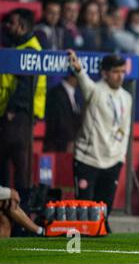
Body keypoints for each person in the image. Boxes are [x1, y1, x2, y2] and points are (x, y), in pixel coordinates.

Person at [67, 49, 132, 231]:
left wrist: (121, 156)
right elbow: (84, 81)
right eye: (115, 72)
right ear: (105, 73)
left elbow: (125, 129)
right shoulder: (95, 91)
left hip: (113, 160)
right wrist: (78, 69)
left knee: (106, 205)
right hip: (88, 158)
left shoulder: (127, 98)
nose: (120, 76)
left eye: (122, 72)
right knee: (85, 206)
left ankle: (101, 228)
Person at [0, 9, 46, 205]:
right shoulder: (19, 47)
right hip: (17, 116)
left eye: (11, 23)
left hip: (18, 116)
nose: (6, 27)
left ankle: (20, 213)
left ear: (22, 27)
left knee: (17, 166)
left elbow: (26, 86)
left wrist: (12, 110)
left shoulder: (29, 50)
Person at [43, 73, 82, 153]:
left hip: (73, 144)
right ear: (71, 76)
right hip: (58, 146)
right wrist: (69, 141)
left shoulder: (75, 95)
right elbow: (60, 121)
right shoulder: (56, 94)